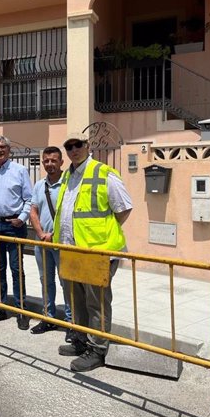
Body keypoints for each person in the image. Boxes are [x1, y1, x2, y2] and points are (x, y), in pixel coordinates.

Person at [54, 132, 133, 372]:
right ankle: (81, 339)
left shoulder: (103, 172)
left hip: (97, 251)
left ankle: (97, 349)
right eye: (69, 146)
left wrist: (102, 232)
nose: (73, 149)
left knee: (95, 302)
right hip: (71, 249)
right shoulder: (68, 175)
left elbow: (124, 209)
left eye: (78, 145)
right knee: (76, 301)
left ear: (88, 146)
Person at [0, 135, 33, 330]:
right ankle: (1, 307)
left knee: (16, 268)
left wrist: (23, 217)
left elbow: (29, 198)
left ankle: (21, 310)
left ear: (9, 150)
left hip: (14, 225)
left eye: (3, 147)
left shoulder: (20, 170)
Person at [29, 147, 73, 337]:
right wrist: (41, 234)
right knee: (46, 281)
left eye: (54, 160)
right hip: (42, 243)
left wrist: (54, 234)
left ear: (61, 162)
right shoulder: (39, 185)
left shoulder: (69, 183)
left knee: (67, 282)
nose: (50, 164)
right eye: (46, 161)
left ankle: (72, 323)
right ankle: (48, 317)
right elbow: (33, 211)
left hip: (62, 242)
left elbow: (71, 213)